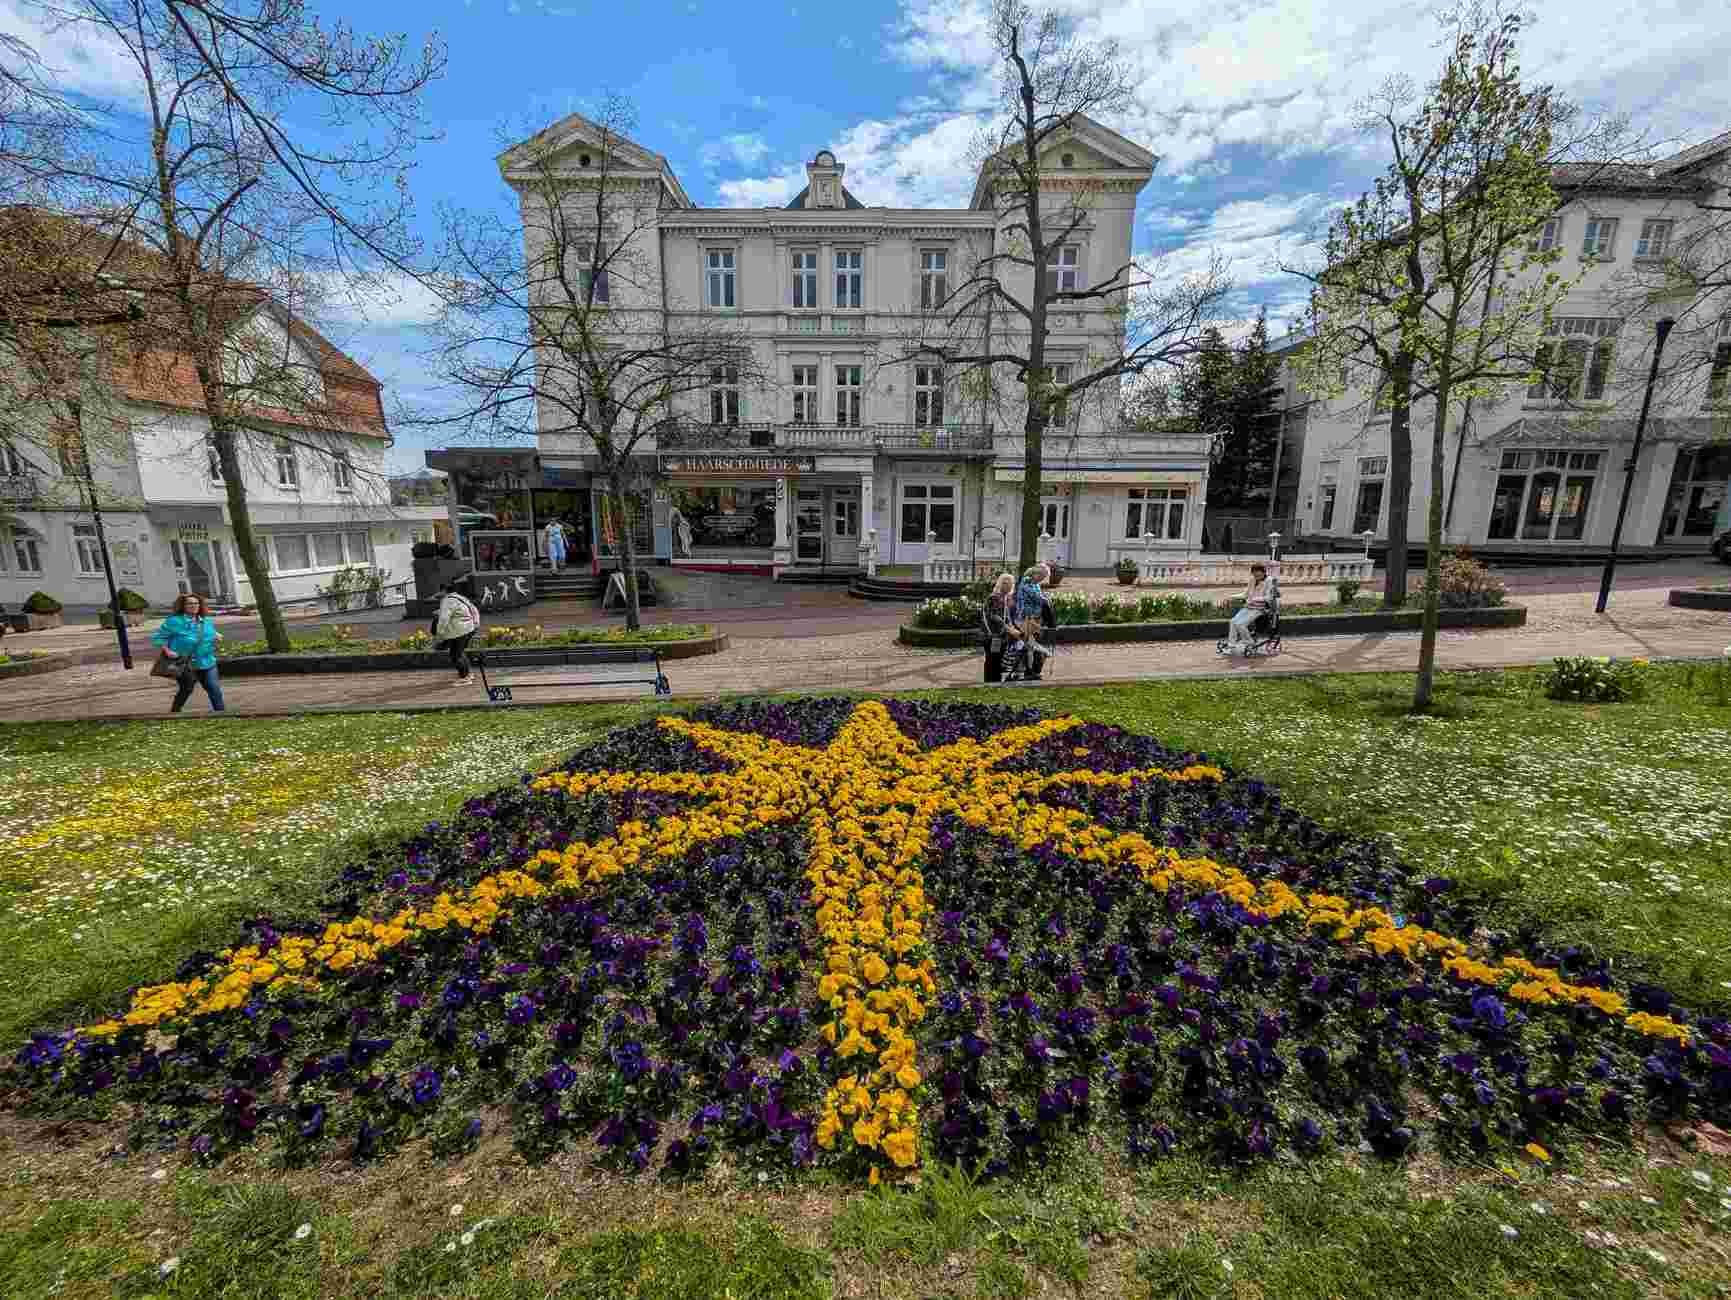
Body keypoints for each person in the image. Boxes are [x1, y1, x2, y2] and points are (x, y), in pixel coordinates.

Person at [152, 592, 225, 713]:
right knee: (187, 687)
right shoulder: (174, 621)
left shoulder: (206, 620)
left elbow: (209, 632)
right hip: (184, 662)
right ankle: (175, 711)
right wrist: (167, 650)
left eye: (196, 603)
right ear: (183, 606)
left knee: (213, 687)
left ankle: (222, 713)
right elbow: (159, 637)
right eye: (190, 603)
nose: (194, 606)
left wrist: (216, 635)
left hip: (206, 660)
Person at [431, 581, 482, 684]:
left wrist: (439, 635)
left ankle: (464, 678)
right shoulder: (460, 597)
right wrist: (476, 623)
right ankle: (467, 674)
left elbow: (444, 619)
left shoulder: (447, 601)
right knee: (459, 652)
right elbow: (474, 609)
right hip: (469, 627)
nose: (438, 593)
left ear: (444, 591)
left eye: (439, 590)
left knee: (455, 655)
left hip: (460, 630)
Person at [1013, 564, 1056, 682]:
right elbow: (1039, 598)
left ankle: (1028, 671)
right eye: (1042, 576)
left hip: (1033, 619)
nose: (1042, 579)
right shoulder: (1026, 583)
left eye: (1044, 577)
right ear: (1036, 573)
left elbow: (1041, 598)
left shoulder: (1035, 584)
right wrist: (1047, 600)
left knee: (1028, 646)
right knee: (1029, 644)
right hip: (1024, 618)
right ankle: (1026, 669)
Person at [1226, 563, 1277, 654]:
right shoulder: (1252, 580)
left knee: (1241, 624)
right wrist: (1231, 596)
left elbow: (1269, 597)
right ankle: (1231, 644)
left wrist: (1254, 599)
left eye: (1258, 574)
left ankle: (1250, 643)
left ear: (1263, 572)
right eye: (1254, 574)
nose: (1256, 576)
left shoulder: (1269, 581)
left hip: (1260, 608)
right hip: (1249, 606)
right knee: (1233, 621)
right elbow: (1246, 594)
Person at [980, 572, 1017, 683]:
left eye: (1010, 583)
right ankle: (990, 682)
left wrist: (1011, 627)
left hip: (1000, 636)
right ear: (1000, 584)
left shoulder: (1005, 598)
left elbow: (1007, 617)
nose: (1008, 585)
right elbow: (993, 616)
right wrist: (1008, 628)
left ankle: (995, 682)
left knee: (997, 659)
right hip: (993, 635)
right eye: (1005, 583)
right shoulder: (995, 597)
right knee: (992, 660)